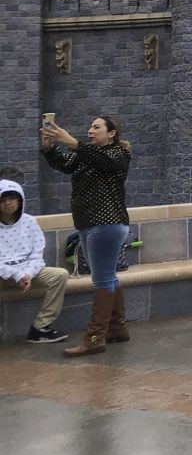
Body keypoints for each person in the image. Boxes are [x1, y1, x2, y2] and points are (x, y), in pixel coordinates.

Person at [40, 114, 132, 357]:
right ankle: (117, 328)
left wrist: (72, 141)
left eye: (96, 127)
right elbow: (66, 165)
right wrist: (50, 148)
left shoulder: (118, 154)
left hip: (107, 223)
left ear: (111, 133)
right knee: (107, 276)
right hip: (89, 223)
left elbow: (102, 161)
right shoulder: (87, 153)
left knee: (101, 280)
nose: (90, 131)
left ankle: (94, 338)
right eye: (89, 127)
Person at [0, 180, 69, 344]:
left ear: (20, 200)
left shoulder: (30, 222)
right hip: (3, 274)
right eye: (2, 200)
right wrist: (16, 274)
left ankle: (40, 328)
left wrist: (27, 274)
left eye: (11, 198)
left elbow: (37, 254)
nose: (7, 203)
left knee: (60, 275)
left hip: (27, 272)